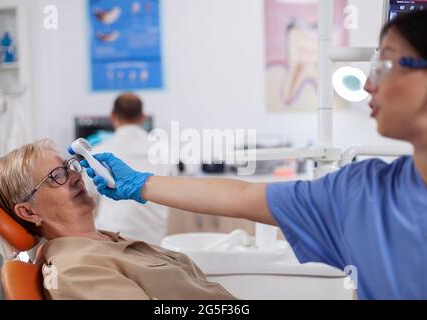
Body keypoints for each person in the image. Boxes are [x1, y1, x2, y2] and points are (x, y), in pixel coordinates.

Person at [83, 11, 427, 300]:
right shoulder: (360, 192)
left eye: (384, 64)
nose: (368, 83)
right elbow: (242, 196)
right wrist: (139, 183)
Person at [0, 139, 235, 300]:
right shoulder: (76, 271)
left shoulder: (111, 241)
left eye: (70, 166)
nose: (76, 176)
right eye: (57, 175)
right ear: (28, 212)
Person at [92, 93, 170, 245]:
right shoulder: (162, 150)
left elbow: (88, 195)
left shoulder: (99, 152)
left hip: (111, 237)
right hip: (154, 239)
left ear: (112, 115)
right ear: (142, 117)